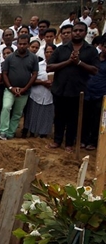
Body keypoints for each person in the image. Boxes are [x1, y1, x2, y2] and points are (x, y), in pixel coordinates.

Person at [47, 21, 99, 152]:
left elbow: (95, 70)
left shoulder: (91, 50)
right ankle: (57, 140)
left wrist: (79, 62)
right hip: (60, 89)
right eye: (75, 30)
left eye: (80, 31)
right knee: (59, 116)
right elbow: (49, 67)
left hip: (78, 91)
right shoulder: (61, 49)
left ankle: (69, 143)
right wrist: (68, 62)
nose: (77, 33)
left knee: (73, 118)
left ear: (85, 33)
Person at [0, 35, 38, 140]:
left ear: (28, 44)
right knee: (6, 107)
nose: (22, 46)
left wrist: (24, 89)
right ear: (17, 44)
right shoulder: (10, 57)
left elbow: (34, 74)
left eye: (24, 44)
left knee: (17, 113)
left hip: (24, 91)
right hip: (10, 90)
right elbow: (4, 73)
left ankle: (10, 133)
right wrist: (11, 87)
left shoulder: (33, 58)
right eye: (20, 44)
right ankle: (2, 132)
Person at [25, 44, 55, 138]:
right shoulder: (38, 65)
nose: (49, 54)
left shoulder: (59, 66)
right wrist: (42, 82)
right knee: (33, 114)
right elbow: (31, 79)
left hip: (50, 95)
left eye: (51, 52)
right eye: (47, 52)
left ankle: (43, 134)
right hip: (36, 94)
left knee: (46, 116)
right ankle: (32, 133)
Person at [82, 40, 106, 150]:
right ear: (101, 47)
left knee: (97, 119)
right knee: (84, 117)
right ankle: (83, 139)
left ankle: (93, 141)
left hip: (101, 94)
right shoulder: (93, 58)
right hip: (87, 92)